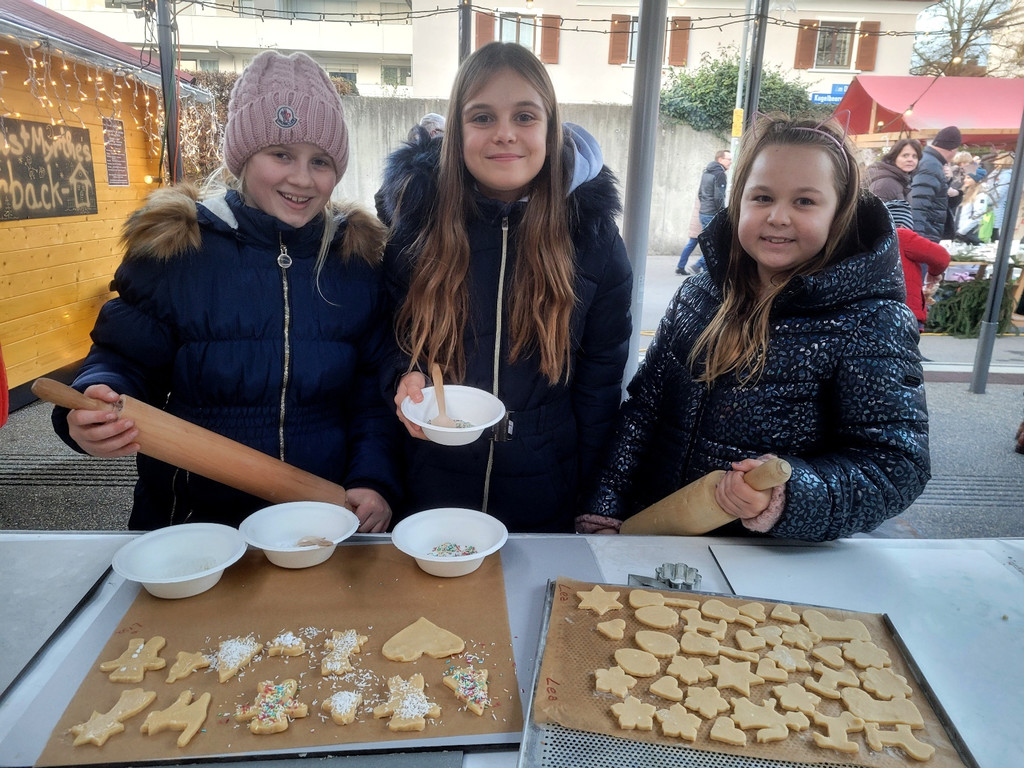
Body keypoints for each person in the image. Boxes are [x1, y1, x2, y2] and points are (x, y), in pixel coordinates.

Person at [50, 51, 400, 532]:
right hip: (194, 521)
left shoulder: (354, 261)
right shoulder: (178, 249)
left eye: (320, 161)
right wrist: (95, 401)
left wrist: (372, 479)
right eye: (281, 154)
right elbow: (123, 360)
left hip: (321, 519)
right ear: (243, 157)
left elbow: (371, 394)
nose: (302, 178)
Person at [581, 113, 930, 542]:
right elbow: (644, 410)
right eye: (762, 197)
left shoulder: (870, 320)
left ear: (840, 212)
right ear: (738, 201)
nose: (778, 217)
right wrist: (605, 506)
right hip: (663, 537)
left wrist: (786, 496)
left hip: (772, 558)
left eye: (805, 202)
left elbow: (895, 465)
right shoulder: (698, 294)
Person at [377, 41, 632, 533]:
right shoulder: (417, 227)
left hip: (545, 495)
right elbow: (390, 339)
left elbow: (601, 384)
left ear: (550, 129)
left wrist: (596, 496)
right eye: (482, 117)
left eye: (525, 116)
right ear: (457, 133)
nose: (505, 134)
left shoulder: (594, 238)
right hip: (431, 489)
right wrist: (402, 377)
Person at [886, 200, 950, 329]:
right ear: (904, 224)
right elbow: (941, 256)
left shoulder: (874, 239)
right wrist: (933, 273)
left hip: (880, 312)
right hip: (905, 312)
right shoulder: (902, 235)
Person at [676, 149, 732, 275]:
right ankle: (698, 266)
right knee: (715, 243)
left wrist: (705, 207)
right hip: (712, 213)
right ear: (720, 159)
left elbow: (701, 194)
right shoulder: (720, 174)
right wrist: (722, 213)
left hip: (703, 212)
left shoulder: (706, 172)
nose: (730, 162)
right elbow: (719, 197)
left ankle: (704, 271)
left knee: (706, 242)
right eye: (728, 159)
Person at [910, 125, 962, 242]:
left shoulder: (930, 161)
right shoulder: (931, 165)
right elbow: (918, 203)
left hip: (926, 232)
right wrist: (917, 240)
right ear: (953, 149)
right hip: (925, 235)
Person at [865, 138, 921, 203]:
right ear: (894, 157)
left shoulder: (903, 179)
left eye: (914, 156)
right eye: (905, 155)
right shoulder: (885, 184)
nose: (910, 159)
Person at [955, 167, 991, 244]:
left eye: (968, 178)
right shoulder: (965, 191)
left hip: (968, 234)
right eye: (965, 177)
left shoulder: (980, 194)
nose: (965, 180)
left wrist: (961, 231)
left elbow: (978, 215)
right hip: (959, 231)